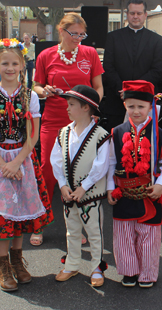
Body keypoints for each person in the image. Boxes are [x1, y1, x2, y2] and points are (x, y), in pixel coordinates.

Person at [0, 39, 53, 292]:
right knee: (1, 212)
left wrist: (18, 161)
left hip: (22, 158)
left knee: (19, 211)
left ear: (22, 65)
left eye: (14, 63)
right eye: (5, 63)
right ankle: (2, 264)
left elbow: (33, 134)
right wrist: (2, 164)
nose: (10, 67)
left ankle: (18, 261)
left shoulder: (29, 96)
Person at [33, 13, 104, 246]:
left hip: (81, 121)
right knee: (47, 171)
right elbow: (35, 86)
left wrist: (91, 107)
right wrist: (45, 91)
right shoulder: (46, 55)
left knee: (79, 172)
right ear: (61, 31)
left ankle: (78, 225)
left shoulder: (90, 53)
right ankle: (40, 222)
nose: (78, 39)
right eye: (74, 34)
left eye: (82, 34)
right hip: (53, 119)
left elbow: (98, 87)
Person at [107, 80, 162, 288]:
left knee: (149, 235)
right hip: (123, 192)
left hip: (149, 192)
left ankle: (147, 273)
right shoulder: (116, 132)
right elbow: (110, 163)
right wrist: (110, 187)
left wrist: (161, 184)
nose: (136, 111)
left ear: (150, 107)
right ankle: (128, 271)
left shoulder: (160, 135)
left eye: (141, 106)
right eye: (131, 106)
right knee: (123, 234)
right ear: (125, 105)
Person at [51, 85, 111, 287]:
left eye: (71, 105)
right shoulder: (63, 132)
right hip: (69, 195)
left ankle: (96, 267)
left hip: (90, 195)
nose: (67, 109)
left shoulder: (101, 135)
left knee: (94, 232)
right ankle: (72, 263)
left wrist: (83, 187)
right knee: (72, 230)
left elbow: (101, 166)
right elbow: (56, 161)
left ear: (86, 108)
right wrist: (62, 185)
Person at [102, 0, 162, 132]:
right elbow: (108, 66)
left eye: (139, 13)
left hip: (144, 100)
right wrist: (122, 89)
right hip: (117, 100)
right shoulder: (113, 37)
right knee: (117, 143)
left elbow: (157, 70)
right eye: (132, 13)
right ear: (127, 14)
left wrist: (134, 90)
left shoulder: (156, 40)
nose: (135, 16)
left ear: (145, 15)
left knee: (144, 144)